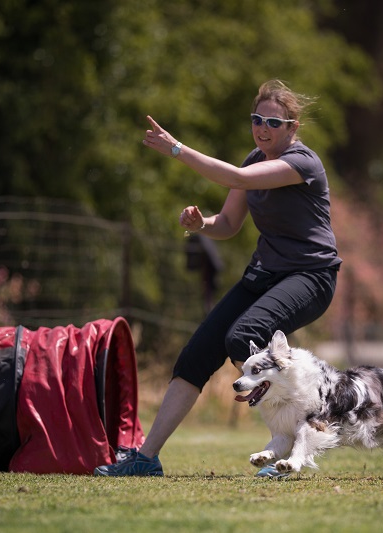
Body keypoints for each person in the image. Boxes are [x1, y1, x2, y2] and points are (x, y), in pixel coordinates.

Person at [94, 80, 341, 477]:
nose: (262, 128)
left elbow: (239, 180)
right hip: (265, 274)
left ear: (292, 127)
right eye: (256, 120)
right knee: (196, 356)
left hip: (312, 276)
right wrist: (201, 223)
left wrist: (176, 149)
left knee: (244, 334)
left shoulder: (303, 163)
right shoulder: (252, 159)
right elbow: (227, 223)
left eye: (273, 123)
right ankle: (145, 458)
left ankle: (301, 432)